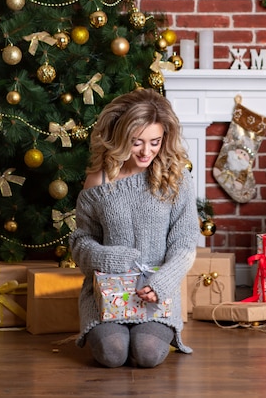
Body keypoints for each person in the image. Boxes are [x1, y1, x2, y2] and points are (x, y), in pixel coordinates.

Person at [69, 87, 199, 368]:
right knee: (113, 354)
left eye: (155, 141)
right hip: (107, 293)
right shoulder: (99, 180)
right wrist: (108, 258)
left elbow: (186, 242)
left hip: (156, 295)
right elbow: (80, 241)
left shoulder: (176, 178)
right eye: (136, 141)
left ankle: (152, 330)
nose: (146, 151)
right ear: (120, 136)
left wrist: (162, 283)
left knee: (148, 353)